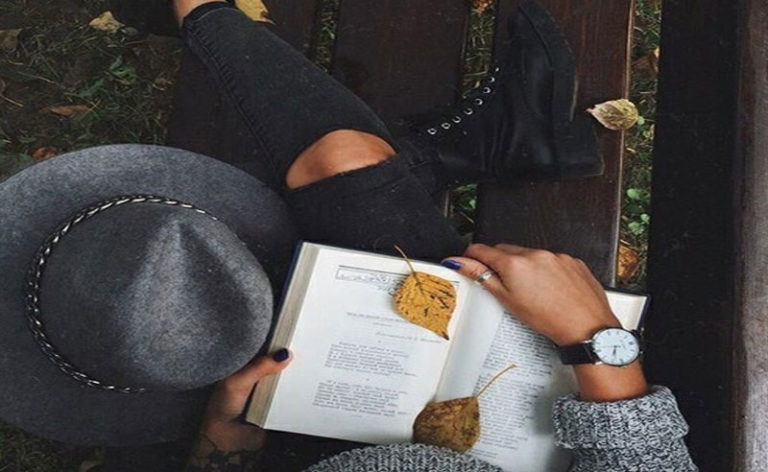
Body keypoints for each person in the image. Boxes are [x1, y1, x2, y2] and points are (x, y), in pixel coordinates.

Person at [149, 1, 697, 471]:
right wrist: (597, 342)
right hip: (518, 431)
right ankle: (482, 144)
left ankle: (479, 146)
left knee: (341, 173)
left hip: (320, 433)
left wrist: (219, 451)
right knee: (344, 167)